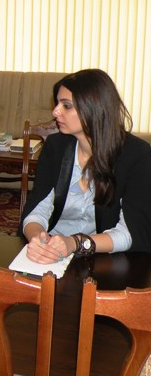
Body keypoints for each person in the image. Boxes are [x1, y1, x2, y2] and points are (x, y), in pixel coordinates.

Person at [20, 69, 151, 264]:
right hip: (53, 250)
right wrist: (38, 239)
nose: (55, 112)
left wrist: (75, 243)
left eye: (66, 106)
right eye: (57, 103)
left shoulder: (136, 155)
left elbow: (130, 233)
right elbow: (38, 209)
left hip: (103, 256)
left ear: (94, 109)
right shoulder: (55, 147)